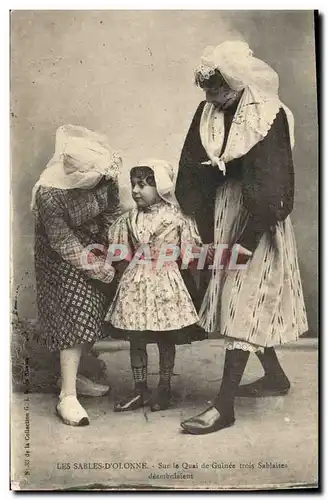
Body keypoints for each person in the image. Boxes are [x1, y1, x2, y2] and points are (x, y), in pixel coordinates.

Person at [175, 41, 308, 435]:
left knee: (243, 300)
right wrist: (200, 223)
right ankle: (275, 377)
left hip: (258, 218)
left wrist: (247, 239)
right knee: (240, 298)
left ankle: (224, 405)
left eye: (217, 91)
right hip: (223, 209)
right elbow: (192, 163)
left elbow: (272, 183)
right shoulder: (209, 111)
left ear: (237, 82)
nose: (211, 99)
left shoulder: (268, 116)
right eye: (207, 92)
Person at [32, 125, 121, 426]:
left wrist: (115, 251)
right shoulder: (50, 194)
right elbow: (62, 242)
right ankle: (66, 397)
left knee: (96, 308)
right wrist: (96, 268)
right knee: (75, 309)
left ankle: (73, 376)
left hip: (95, 242)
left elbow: (112, 213)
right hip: (59, 253)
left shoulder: (106, 174)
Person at [105, 159, 206, 412]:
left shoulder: (177, 217)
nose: (136, 191)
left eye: (142, 185)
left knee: (165, 337)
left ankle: (164, 389)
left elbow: (189, 255)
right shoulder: (129, 219)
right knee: (136, 338)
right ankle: (140, 390)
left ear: (159, 186)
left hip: (166, 282)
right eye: (133, 185)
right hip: (136, 283)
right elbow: (121, 252)